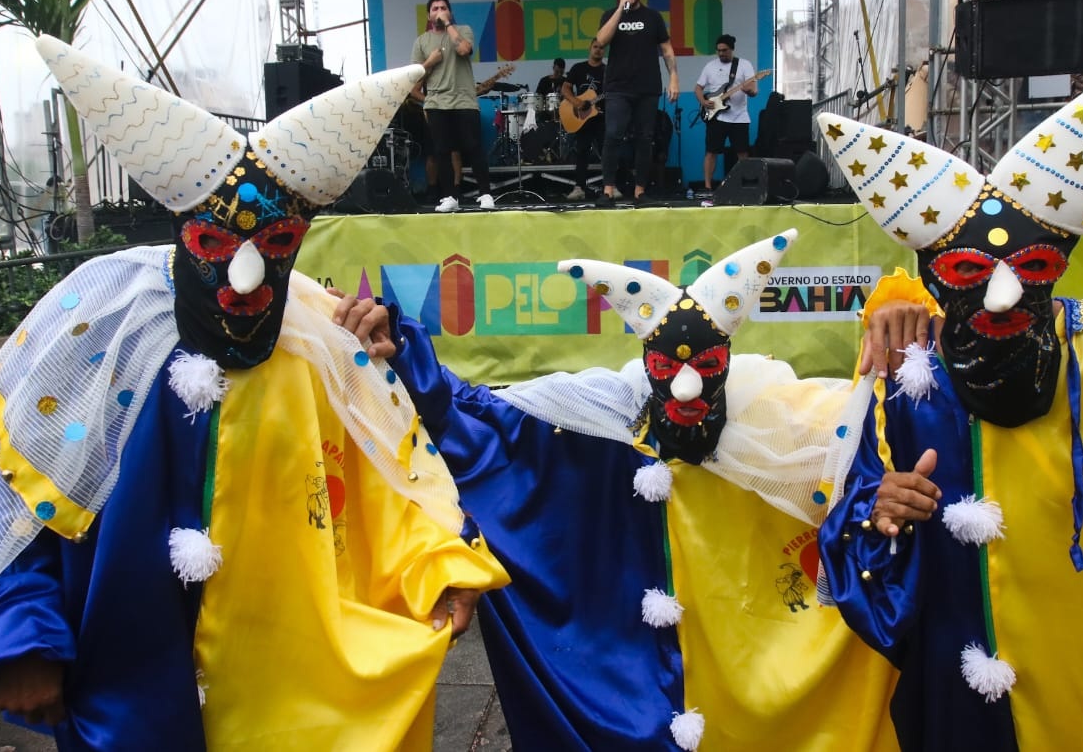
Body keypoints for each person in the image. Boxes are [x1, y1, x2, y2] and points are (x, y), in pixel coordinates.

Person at [0, 36, 508, 750]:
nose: (245, 277)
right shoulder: (104, 324)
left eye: (275, 243)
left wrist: (439, 566)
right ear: (182, 233)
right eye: (216, 245)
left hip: (296, 696)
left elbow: (391, 475)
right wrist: (18, 635)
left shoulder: (320, 335)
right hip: (130, 691)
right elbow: (6, 485)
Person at [333, 230, 934, 751]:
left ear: (726, 362)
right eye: (669, 368)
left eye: (705, 365)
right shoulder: (598, 421)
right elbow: (478, 420)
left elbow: (861, 435)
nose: (687, 385)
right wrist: (402, 352)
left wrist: (903, 324)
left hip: (753, 682)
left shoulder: (780, 425)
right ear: (648, 366)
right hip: (633, 687)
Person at [815, 57, 1083, 751]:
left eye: (1032, 266)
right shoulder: (904, 394)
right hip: (957, 700)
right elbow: (848, 538)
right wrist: (878, 509)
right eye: (967, 271)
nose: (1003, 293)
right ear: (934, 282)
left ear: (1061, 267)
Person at [594, 0, 679, 207]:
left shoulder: (653, 17)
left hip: (647, 86)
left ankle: (640, 191)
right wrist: (621, 10)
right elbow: (601, 41)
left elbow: (667, 49)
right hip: (618, 87)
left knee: (645, 138)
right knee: (613, 135)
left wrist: (674, 77)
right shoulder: (610, 14)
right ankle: (608, 191)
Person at [411, 0, 495, 213]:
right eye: (435, 8)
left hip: (464, 99)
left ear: (450, 12)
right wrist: (430, 62)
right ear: (428, 15)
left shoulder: (463, 30)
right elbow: (415, 75)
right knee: (442, 151)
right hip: (436, 102)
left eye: (443, 8)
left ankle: (485, 194)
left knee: (473, 147)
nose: (439, 11)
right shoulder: (421, 41)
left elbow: (464, 49)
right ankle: (450, 196)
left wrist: (448, 24)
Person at [694, 34, 758, 193]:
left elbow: (754, 91)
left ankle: (745, 185)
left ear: (732, 49)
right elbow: (698, 88)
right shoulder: (710, 66)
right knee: (711, 152)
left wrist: (748, 90)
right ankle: (707, 187)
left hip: (739, 117)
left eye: (725, 50)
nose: (721, 53)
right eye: (719, 50)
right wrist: (703, 102)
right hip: (717, 116)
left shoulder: (744, 65)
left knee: (742, 152)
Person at [561, 38, 606, 202]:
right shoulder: (578, 68)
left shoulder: (607, 71)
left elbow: (613, 92)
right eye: (595, 47)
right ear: (590, 48)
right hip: (582, 118)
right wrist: (577, 103)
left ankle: (610, 187)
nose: (598, 50)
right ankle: (579, 188)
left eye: (601, 48)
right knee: (581, 152)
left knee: (607, 152)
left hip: (601, 117)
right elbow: (565, 88)